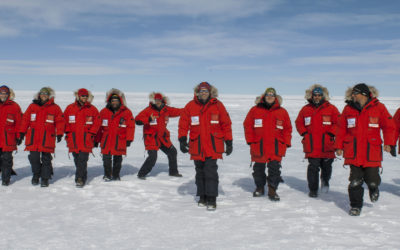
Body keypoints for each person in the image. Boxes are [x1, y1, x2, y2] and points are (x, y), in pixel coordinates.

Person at [335, 83, 396, 216]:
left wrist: (389, 143)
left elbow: (389, 126)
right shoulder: (348, 108)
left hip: (371, 152)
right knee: (355, 181)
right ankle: (356, 206)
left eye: (355, 93)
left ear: (363, 94)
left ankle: (373, 187)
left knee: (372, 179)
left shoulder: (378, 107)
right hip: (353, 151)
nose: (352, 96)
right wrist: (338, 146)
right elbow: (341, 129)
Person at [178, 82, 232, 210]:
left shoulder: (218, 105)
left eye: (206, 91)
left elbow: (226, 124)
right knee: (200, 171)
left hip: (213, 145)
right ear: (198, 92)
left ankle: (212, 198)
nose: (203, 93)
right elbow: (183, 123)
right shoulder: (190, 106)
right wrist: (182, 138)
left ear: (210, 92)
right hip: (197, 145)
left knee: (211, 172)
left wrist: (229, 141)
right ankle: (202, 196)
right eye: (201, 91)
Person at [243, 87, 292, 201]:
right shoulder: (254, 110)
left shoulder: (282, 111)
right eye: (267, 95)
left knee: (274, 169)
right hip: (259, 145)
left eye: (272, 95)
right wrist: (250, 140)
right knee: (258, 169)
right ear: (264, 97)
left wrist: (286, 142)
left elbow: (287, 129)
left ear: (275, 97)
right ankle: (259, 187)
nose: (269, 97)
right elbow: (247, 125)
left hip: (276, 146)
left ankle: (272, 189)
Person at [295, 85, 340, 197]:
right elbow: (298, 122)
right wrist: (304, 133)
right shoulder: (306, 109)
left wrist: (331, 133)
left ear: (323, 96)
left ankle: (325, 182)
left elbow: (338, 122)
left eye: (319, 95)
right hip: (311, 144)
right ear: (312, 96)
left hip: (327, 144)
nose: (317, 97)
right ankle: (313, 189)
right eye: (315, 95)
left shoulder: (331, 108)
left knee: (326, 167)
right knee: (313, 167)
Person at [19, 87, 65, 187]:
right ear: (39, 95)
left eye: (46, 94)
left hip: (47, 137)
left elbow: (60, 121)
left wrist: (60, 133)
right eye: (42, 93)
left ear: (49, 96)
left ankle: (45, 178)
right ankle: (36, 174)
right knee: (33, 158)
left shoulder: (55, 107)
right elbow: (25, 120)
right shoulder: (32, 106)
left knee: (46, 159)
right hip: (33, 137)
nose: (44, 95)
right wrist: (22, 132)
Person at [136, 92, 182, 179]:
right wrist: (149, 119)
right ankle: (141, 174)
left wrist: (190, 110)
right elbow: (137, 120)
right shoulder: (148, 110)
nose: (157, 102)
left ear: (162, 101)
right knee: (153, 157)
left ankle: (173, 172)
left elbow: (179, 111)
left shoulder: (166, 109)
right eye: (156, 100)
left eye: (159, 100)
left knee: (172, 152)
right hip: (151, 138)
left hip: (162, 138)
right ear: (153, 101)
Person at [63, 88, 101, 187]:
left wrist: (92, 133)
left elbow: (97, 123)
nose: (84, 98)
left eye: (86, 96)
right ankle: (83, 174)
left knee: (83, 159)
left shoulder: (92, 109)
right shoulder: (70, 108)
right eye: (82, 96)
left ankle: (79, 179)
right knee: (77, 159)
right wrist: (67, 132)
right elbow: (64, 121)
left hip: (86, 139)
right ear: (78, 96)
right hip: (73, 139)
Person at [95, 88, 135, 181]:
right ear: (110, 101)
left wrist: (129, 139)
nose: (114, 102)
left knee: (118, 158)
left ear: (120, 101)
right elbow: (98, 127)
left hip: (120, 139)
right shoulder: (103, 112)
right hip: (106, 140)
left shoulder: (126, 112)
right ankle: (107, 175)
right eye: (112, 101)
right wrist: (96, 140)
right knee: (106, 159)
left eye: (116, 100)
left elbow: (131, 126)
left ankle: (116, 175)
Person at [0, 85, 22, 186]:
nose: (3, 95)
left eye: (5, 93)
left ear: (8, 94)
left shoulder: (14, 106)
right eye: (1, 93)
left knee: (7, 159)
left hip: (8, 138)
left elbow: (19, 123)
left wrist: (19, 136)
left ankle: (6, 179)